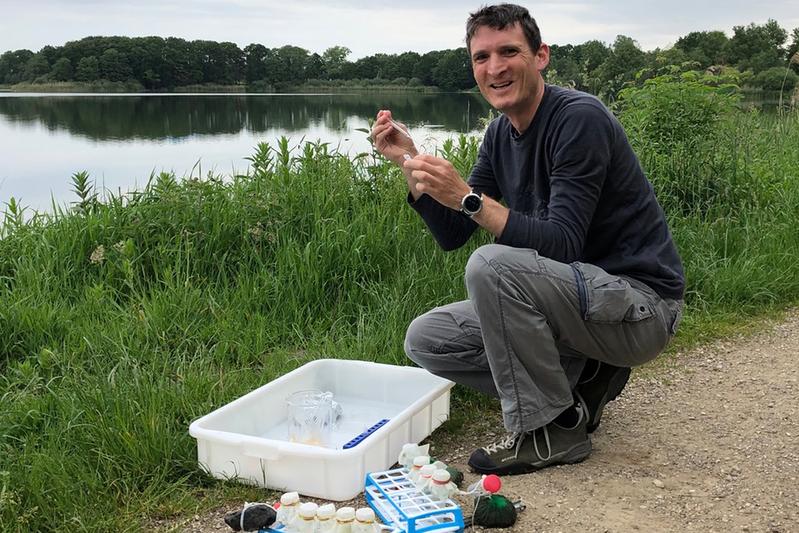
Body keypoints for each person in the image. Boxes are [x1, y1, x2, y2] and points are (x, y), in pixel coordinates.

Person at [370, 3, 684, 476]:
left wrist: (471, 197)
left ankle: (552, 429)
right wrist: (412, 165)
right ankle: (581, 386)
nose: (494, 68)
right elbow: (455, 231)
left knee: (492, 266)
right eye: (481, 57)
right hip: (580, 305)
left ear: (540, 57)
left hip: (638, 308)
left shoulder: (580, 118)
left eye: (509, 51)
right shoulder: (500, 134)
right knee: (427, 339)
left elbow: (561, 243)